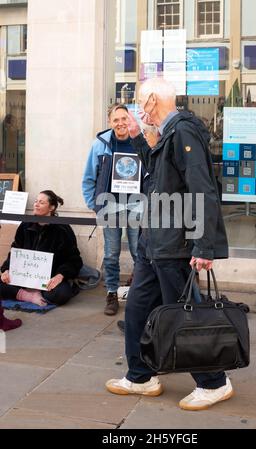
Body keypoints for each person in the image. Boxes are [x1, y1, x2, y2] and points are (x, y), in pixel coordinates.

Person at [106, 78, 232, 411]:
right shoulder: (168, 134)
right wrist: (136, 137)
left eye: (138, 102)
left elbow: (202, 190)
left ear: (151, 101)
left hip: (174, 246)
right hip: (154, 243)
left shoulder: (183, 133)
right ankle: (140, 376)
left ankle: (214, 382)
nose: (136, 108)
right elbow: (159, 175)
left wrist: (204, 247)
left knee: (183, 316)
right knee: (136, 309)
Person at [82, 104, 141, 316]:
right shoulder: (100, 145)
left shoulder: (140, 140)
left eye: (124, 118)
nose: (120, 123)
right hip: (110, 205)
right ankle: (112, 293)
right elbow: (89, 177)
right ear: (110, 122)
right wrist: (94, 204)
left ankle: (138, 293)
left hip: (137, 204)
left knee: (139, 251)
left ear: (130, 119)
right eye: (116, 120)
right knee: (112, 252)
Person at [0, 191, 83, 307]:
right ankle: (29, 296)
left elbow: (74, 259)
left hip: (48, 280)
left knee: (62, 294)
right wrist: (6, 270)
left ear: (52, 207)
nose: (36, 205)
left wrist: (60, 275)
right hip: (23, 277)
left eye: (41, 202)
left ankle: (31, 292)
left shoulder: (63, 229)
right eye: (36, 201)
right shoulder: (25, 225)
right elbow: (15, 251)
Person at [117, 123, 160, 334]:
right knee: (141, 292)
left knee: (172, 292)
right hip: (148, 234)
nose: (144, 139)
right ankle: (136, 325)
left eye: (147, 136)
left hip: (164, 239)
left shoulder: (163, 162)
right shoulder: (147, 161)